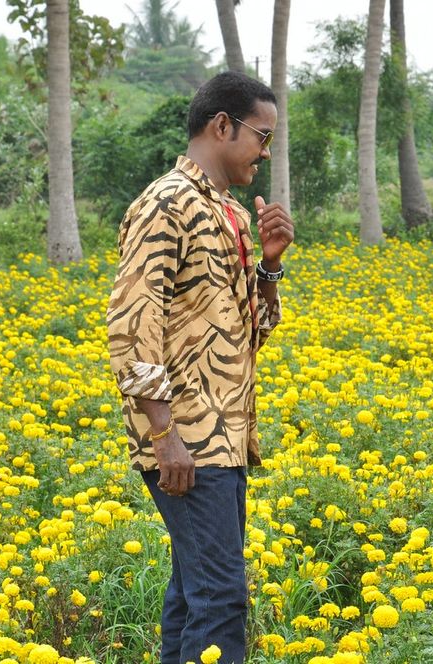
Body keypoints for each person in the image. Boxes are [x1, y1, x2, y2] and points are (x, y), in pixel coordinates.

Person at [106, 71, 294, 664]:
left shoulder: (230, 213)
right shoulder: (166, 204)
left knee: (195, 593)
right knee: (220, 596)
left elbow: (247, 334)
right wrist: (163, 435)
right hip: (187, 437)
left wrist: (269, 268)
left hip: (225, 434)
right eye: (262, 137)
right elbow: (131, 326)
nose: (265, 153)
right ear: (221, 126)